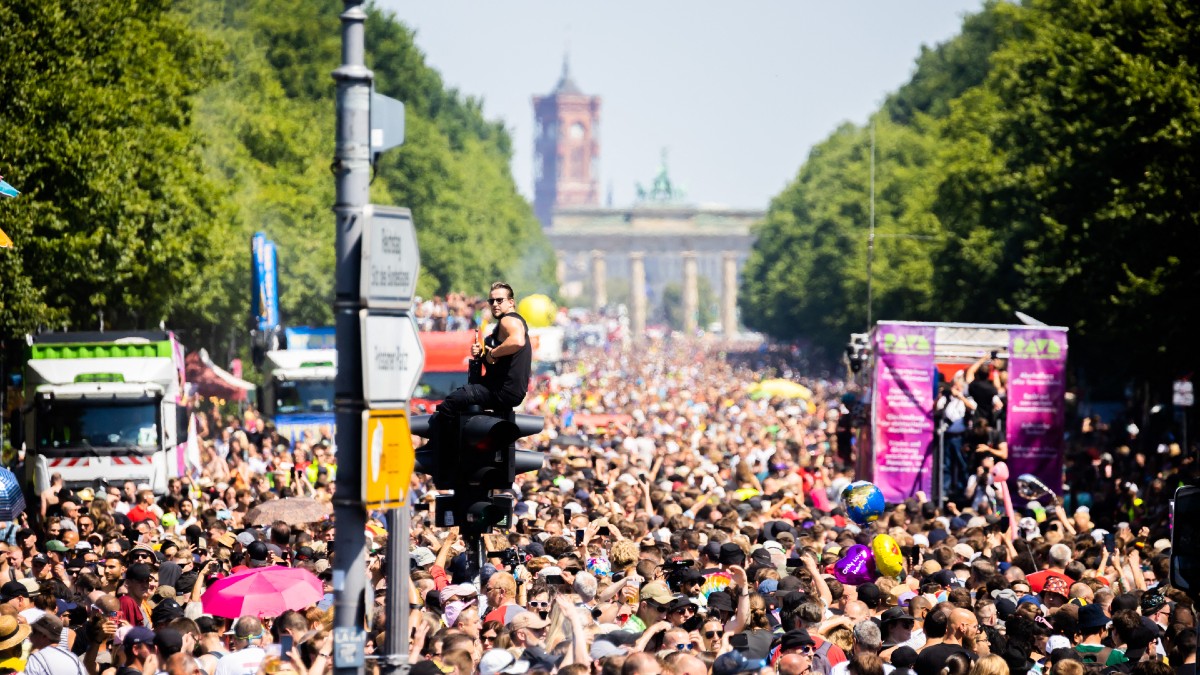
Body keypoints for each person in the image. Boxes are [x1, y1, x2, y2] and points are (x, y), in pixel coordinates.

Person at [435, 282, 532, 429]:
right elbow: (499, 360)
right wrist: (482, 354)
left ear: (511, 302)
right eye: (491, 301)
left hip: (500, 391)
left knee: (450, 403)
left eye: (500, 300)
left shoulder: (509, 320)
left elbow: (517, 341)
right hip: (506, 392)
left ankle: (442, 448)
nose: (495, 304)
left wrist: (493, 352)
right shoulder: (503, 325)